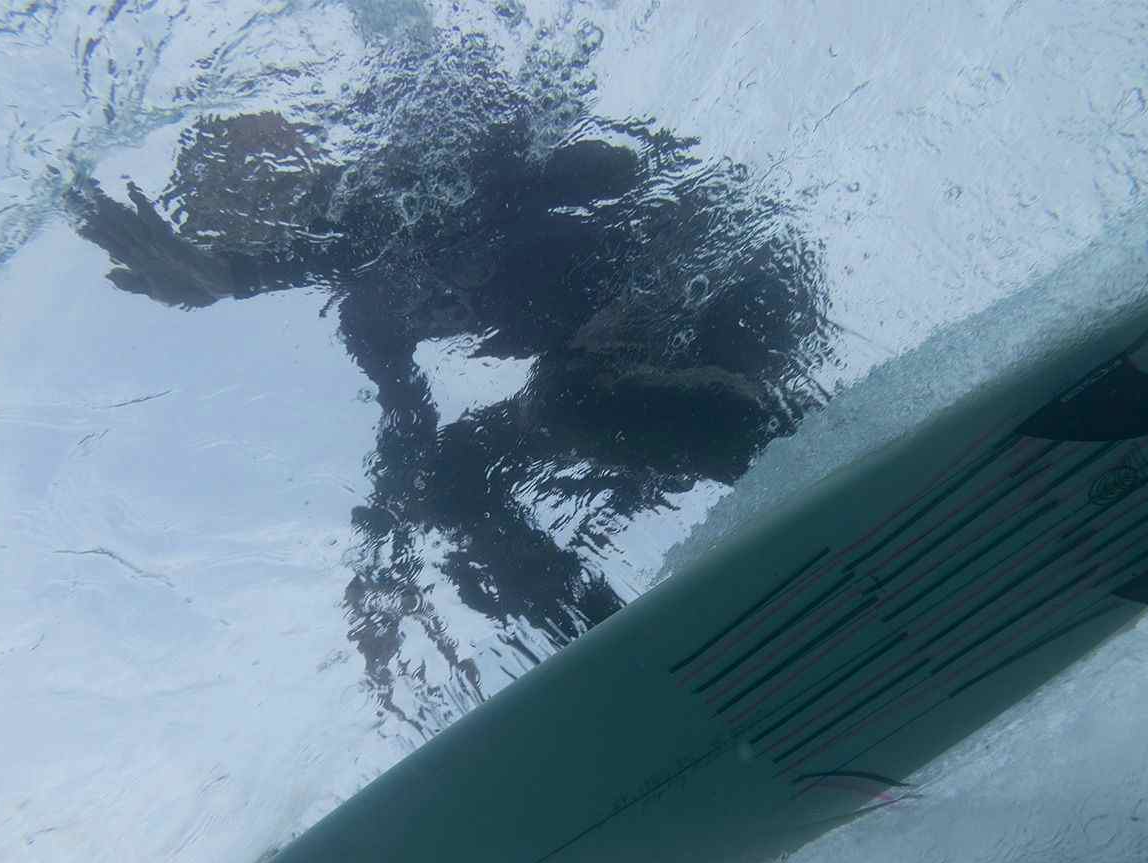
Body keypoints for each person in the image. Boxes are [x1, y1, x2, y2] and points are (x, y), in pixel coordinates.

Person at [70, 35, 833, 730]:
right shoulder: (371, 314)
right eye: (227, 214)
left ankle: (836, 453)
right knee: (453, 477)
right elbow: (409, 443)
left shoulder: (427, 155)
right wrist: (382, 570)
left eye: (247, 178)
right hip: (646, 360)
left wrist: (240, 278)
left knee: (571, 397)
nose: (251, 209)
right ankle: (630, 661)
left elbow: (615, 171)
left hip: (726, 274)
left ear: (292, 144)